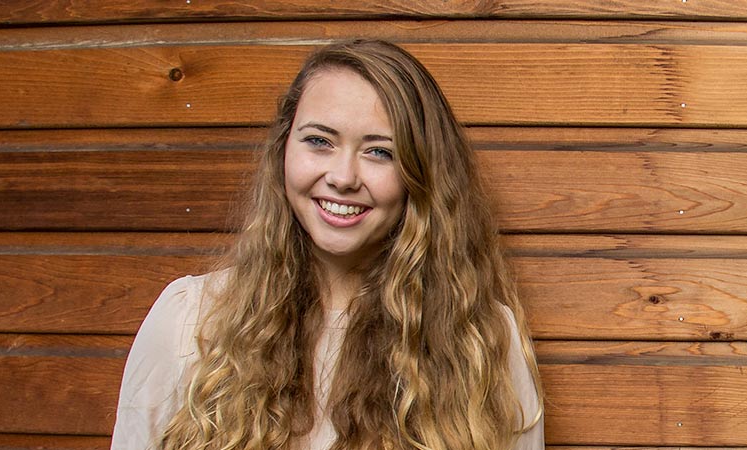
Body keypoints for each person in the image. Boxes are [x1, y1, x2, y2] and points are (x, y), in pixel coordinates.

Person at [111, 40, 544, 450]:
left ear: (422, 174)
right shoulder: (188, 320)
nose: (342, 177)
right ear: (283, 149)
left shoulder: (481, 341)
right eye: (319, 141)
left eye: (380, 152)